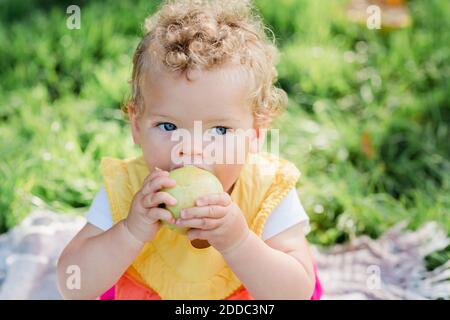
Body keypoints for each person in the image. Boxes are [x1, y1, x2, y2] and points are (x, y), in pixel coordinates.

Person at [57, 0, 322, 300]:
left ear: (256, 134)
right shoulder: (129, 190)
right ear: (136, 125)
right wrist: (130, 232)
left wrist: (239, 242)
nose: (192, 150)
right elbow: (72, 284)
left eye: (220, 130)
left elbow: (297, 293)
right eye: (169, 127)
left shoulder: (267, 191)